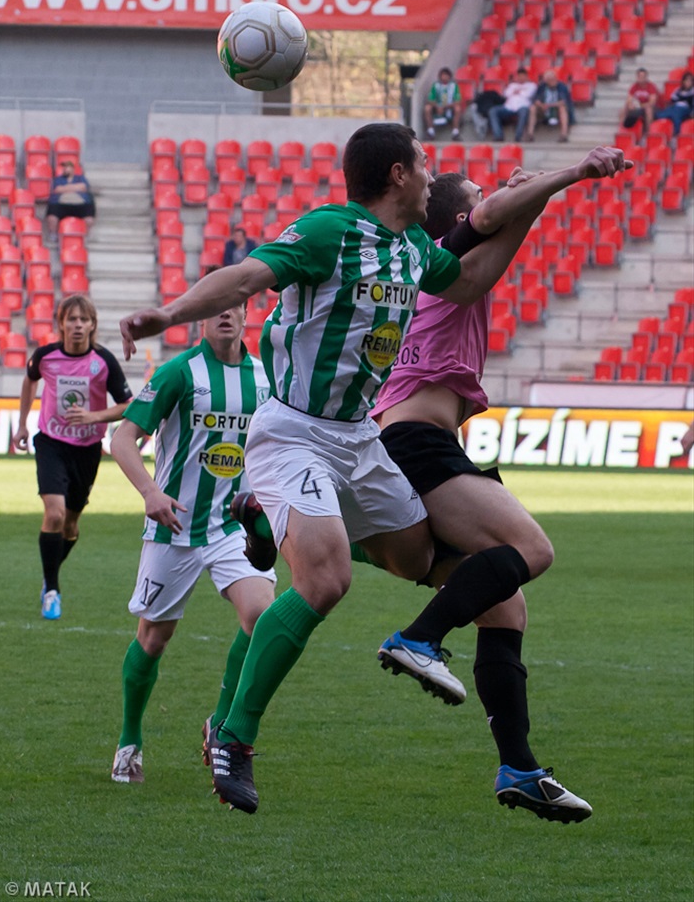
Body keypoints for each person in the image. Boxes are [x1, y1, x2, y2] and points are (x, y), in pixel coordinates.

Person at [120, 122, 546, 813]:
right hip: (294, 432)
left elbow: (468, 278)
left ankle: (268, 520)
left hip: (360, 438)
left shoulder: (410, 249)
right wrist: (169, 313)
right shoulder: (328, 231)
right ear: (398, 176)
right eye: (424, 162)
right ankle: (234, 733)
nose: (433, 173)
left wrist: (529, 209)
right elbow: (248, 276)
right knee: (326, 577)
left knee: (415, 560)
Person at [235, 147, 631, 823]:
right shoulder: (437, 251)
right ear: (456, 214)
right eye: (476, 197)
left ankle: (520, 768)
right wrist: (569, 175)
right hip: (417, 442)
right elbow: (491, 218)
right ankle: (416, 638)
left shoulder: (418, 268)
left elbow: (503, 223)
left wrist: (527, 194)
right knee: (531, 550)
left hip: (414, 442)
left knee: (504, 604)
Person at [110, 298, 276, 785]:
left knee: (263, 617)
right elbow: (123, 440)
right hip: (174, 526)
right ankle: (129, 741)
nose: (226, 314)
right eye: (217, 307)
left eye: (235, 306)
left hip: (232, 527)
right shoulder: (180, 372)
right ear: (202, 316)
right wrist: (150, 492)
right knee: (154, 638)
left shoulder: (267, 380)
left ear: (246, 315)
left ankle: (222, 725)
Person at [13, 294, 133, 621]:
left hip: (87, 450)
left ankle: (48, 574)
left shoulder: (103, 361)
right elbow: (29, 380)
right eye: (71, 319)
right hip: (51, 443)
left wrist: (95, 417)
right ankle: (52, 589)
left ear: (93, 325)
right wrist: (23, 424)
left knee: (70, 526)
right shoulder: (46, 357)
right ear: (61, 324)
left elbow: (127, 404)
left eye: (84, 319)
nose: (77, 325)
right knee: (53, 514)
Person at [45, 160, 95, 240]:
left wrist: (65, 188)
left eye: (67, 167)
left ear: (73, 169)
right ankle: (53, 235)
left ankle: (85, 236)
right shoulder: (58, 179)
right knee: (52, 217)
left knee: (89, 218)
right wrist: (75, 188)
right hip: (61, 204)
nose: (65, 169)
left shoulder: (80, 178)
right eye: (64, 167)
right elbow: (57, 189)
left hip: (80, 204)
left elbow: (83, 187)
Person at [488, 67, 536, 143]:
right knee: (493, 111)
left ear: (526, 76)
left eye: (523, 76)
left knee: (524, 112)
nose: (521, 78)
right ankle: (498, 135)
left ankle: (518, 137)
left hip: (522, 106)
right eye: (519, 76)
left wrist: (517, 92)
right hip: (508, 107)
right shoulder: (512, 85)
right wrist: (518, 91)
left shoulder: (531, 85)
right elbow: (506, 94)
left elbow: (528, 94)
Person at [526, 69, 575, 143]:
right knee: (533, 108)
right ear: (546, 81)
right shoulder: (542, 86)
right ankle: (530, 134)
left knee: (562, 109)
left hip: (556, 110)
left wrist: (549, 105)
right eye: (550, 80)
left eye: (554, 78)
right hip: (543, 110)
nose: (553, 81)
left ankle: (563, 135)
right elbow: (535, 100)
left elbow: (563, 102)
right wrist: (541, 105)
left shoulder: (562, 86)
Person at [423, 67, 463, 140]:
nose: (444, 77)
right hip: (437, 107)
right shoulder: (435, 85)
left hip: (450, 107)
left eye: (446, 75)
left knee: (458, 108)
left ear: (449, 76)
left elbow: (458, 100)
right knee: (427, 108)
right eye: (443, 75)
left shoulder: (454, 86)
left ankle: (455, 132)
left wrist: (446, 107)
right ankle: (430, 132)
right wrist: (438, 107)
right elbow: (430, 99)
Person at [653, 72, 694, 137]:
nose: (688, 82)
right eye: (686, 80)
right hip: (675, 107)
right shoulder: (678, 90)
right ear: (683, 81)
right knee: (663, 113)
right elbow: (673, 99)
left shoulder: (692, 91)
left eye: (690, 80)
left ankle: (676, 133)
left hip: (685, 109)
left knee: (676, 114)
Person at [620, 68, 660, 133]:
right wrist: (630, 104)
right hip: (639, 107)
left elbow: (652, 102)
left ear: (646, 77)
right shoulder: (634, 86)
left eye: (643, 76)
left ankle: (649, 132)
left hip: (652, 108)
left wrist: (639, 105)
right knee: (623, 108)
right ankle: (623, 129)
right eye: (639, 76)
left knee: (648, 109)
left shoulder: (651, 86)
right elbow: (629, 99)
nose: (641, 78)